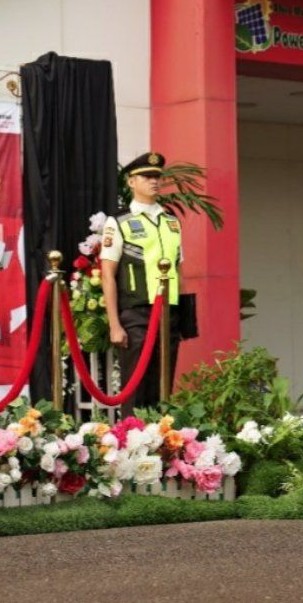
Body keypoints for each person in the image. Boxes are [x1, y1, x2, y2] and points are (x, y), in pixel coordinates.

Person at [100, 151, 183, 418]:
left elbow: (179, 267)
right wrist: (114, 323)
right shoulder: (119, 221)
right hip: (136, 311)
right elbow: (107, 274)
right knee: (135, 384)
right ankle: (131, 441)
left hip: (168, 312)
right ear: (131, 181)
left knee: (163, 384)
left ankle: (163, 442)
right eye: (146, 176)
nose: (154, 181)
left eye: (157, 176)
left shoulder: (171, 220)